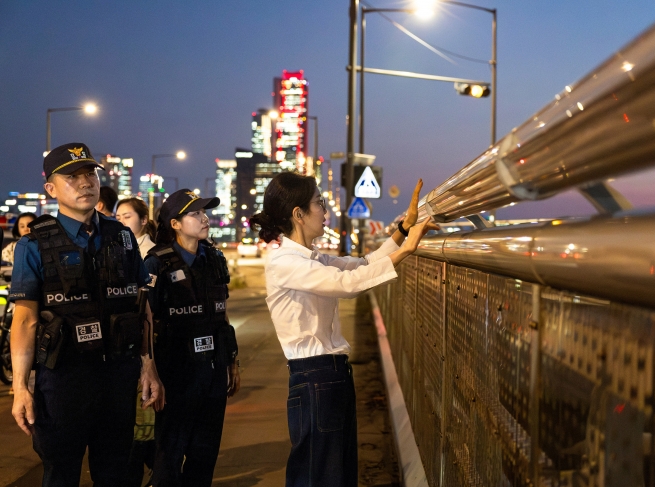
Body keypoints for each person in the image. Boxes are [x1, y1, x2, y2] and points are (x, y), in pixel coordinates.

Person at [249, 172, 438, 486]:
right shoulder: (286, 263)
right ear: (298, 214)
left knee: (337, 474)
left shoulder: (311, 259)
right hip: (315, 379)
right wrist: (407, 250)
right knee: (320, 476)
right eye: (319, 204)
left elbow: (363, 264)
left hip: (330, 378)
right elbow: (349, 284)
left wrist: (403, 230)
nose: (326, 212)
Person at [9, 142, 165, 487]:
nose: (85, 182)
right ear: (51, 189)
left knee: (118, 473)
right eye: (72, 176)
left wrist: (148, 366)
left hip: (118, 378)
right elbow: (25, 320)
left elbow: (142, 307)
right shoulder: (34, 244)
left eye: (89, 174)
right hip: (63, 379)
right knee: (61, 472)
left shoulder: (122, 237)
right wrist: (20, 387)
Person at [145, 188, 240, 486]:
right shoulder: (156, 263)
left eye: (204, 212)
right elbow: (144, 320)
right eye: (195, 213)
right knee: (169, 455)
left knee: (205, 454)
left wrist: (232, 361)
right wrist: (149, 371)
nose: (204, 218)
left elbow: (222, 314)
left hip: (212, 370)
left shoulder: (214, 258)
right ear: (175, 223)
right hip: (175, 372)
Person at [115, 197, 157, 485]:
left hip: (149, 350)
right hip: (125, 350)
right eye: (117, 217)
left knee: (148, 430)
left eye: (127, 216)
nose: (120, 222)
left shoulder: (152, 255)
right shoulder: (116, 250)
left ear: (143, 220)